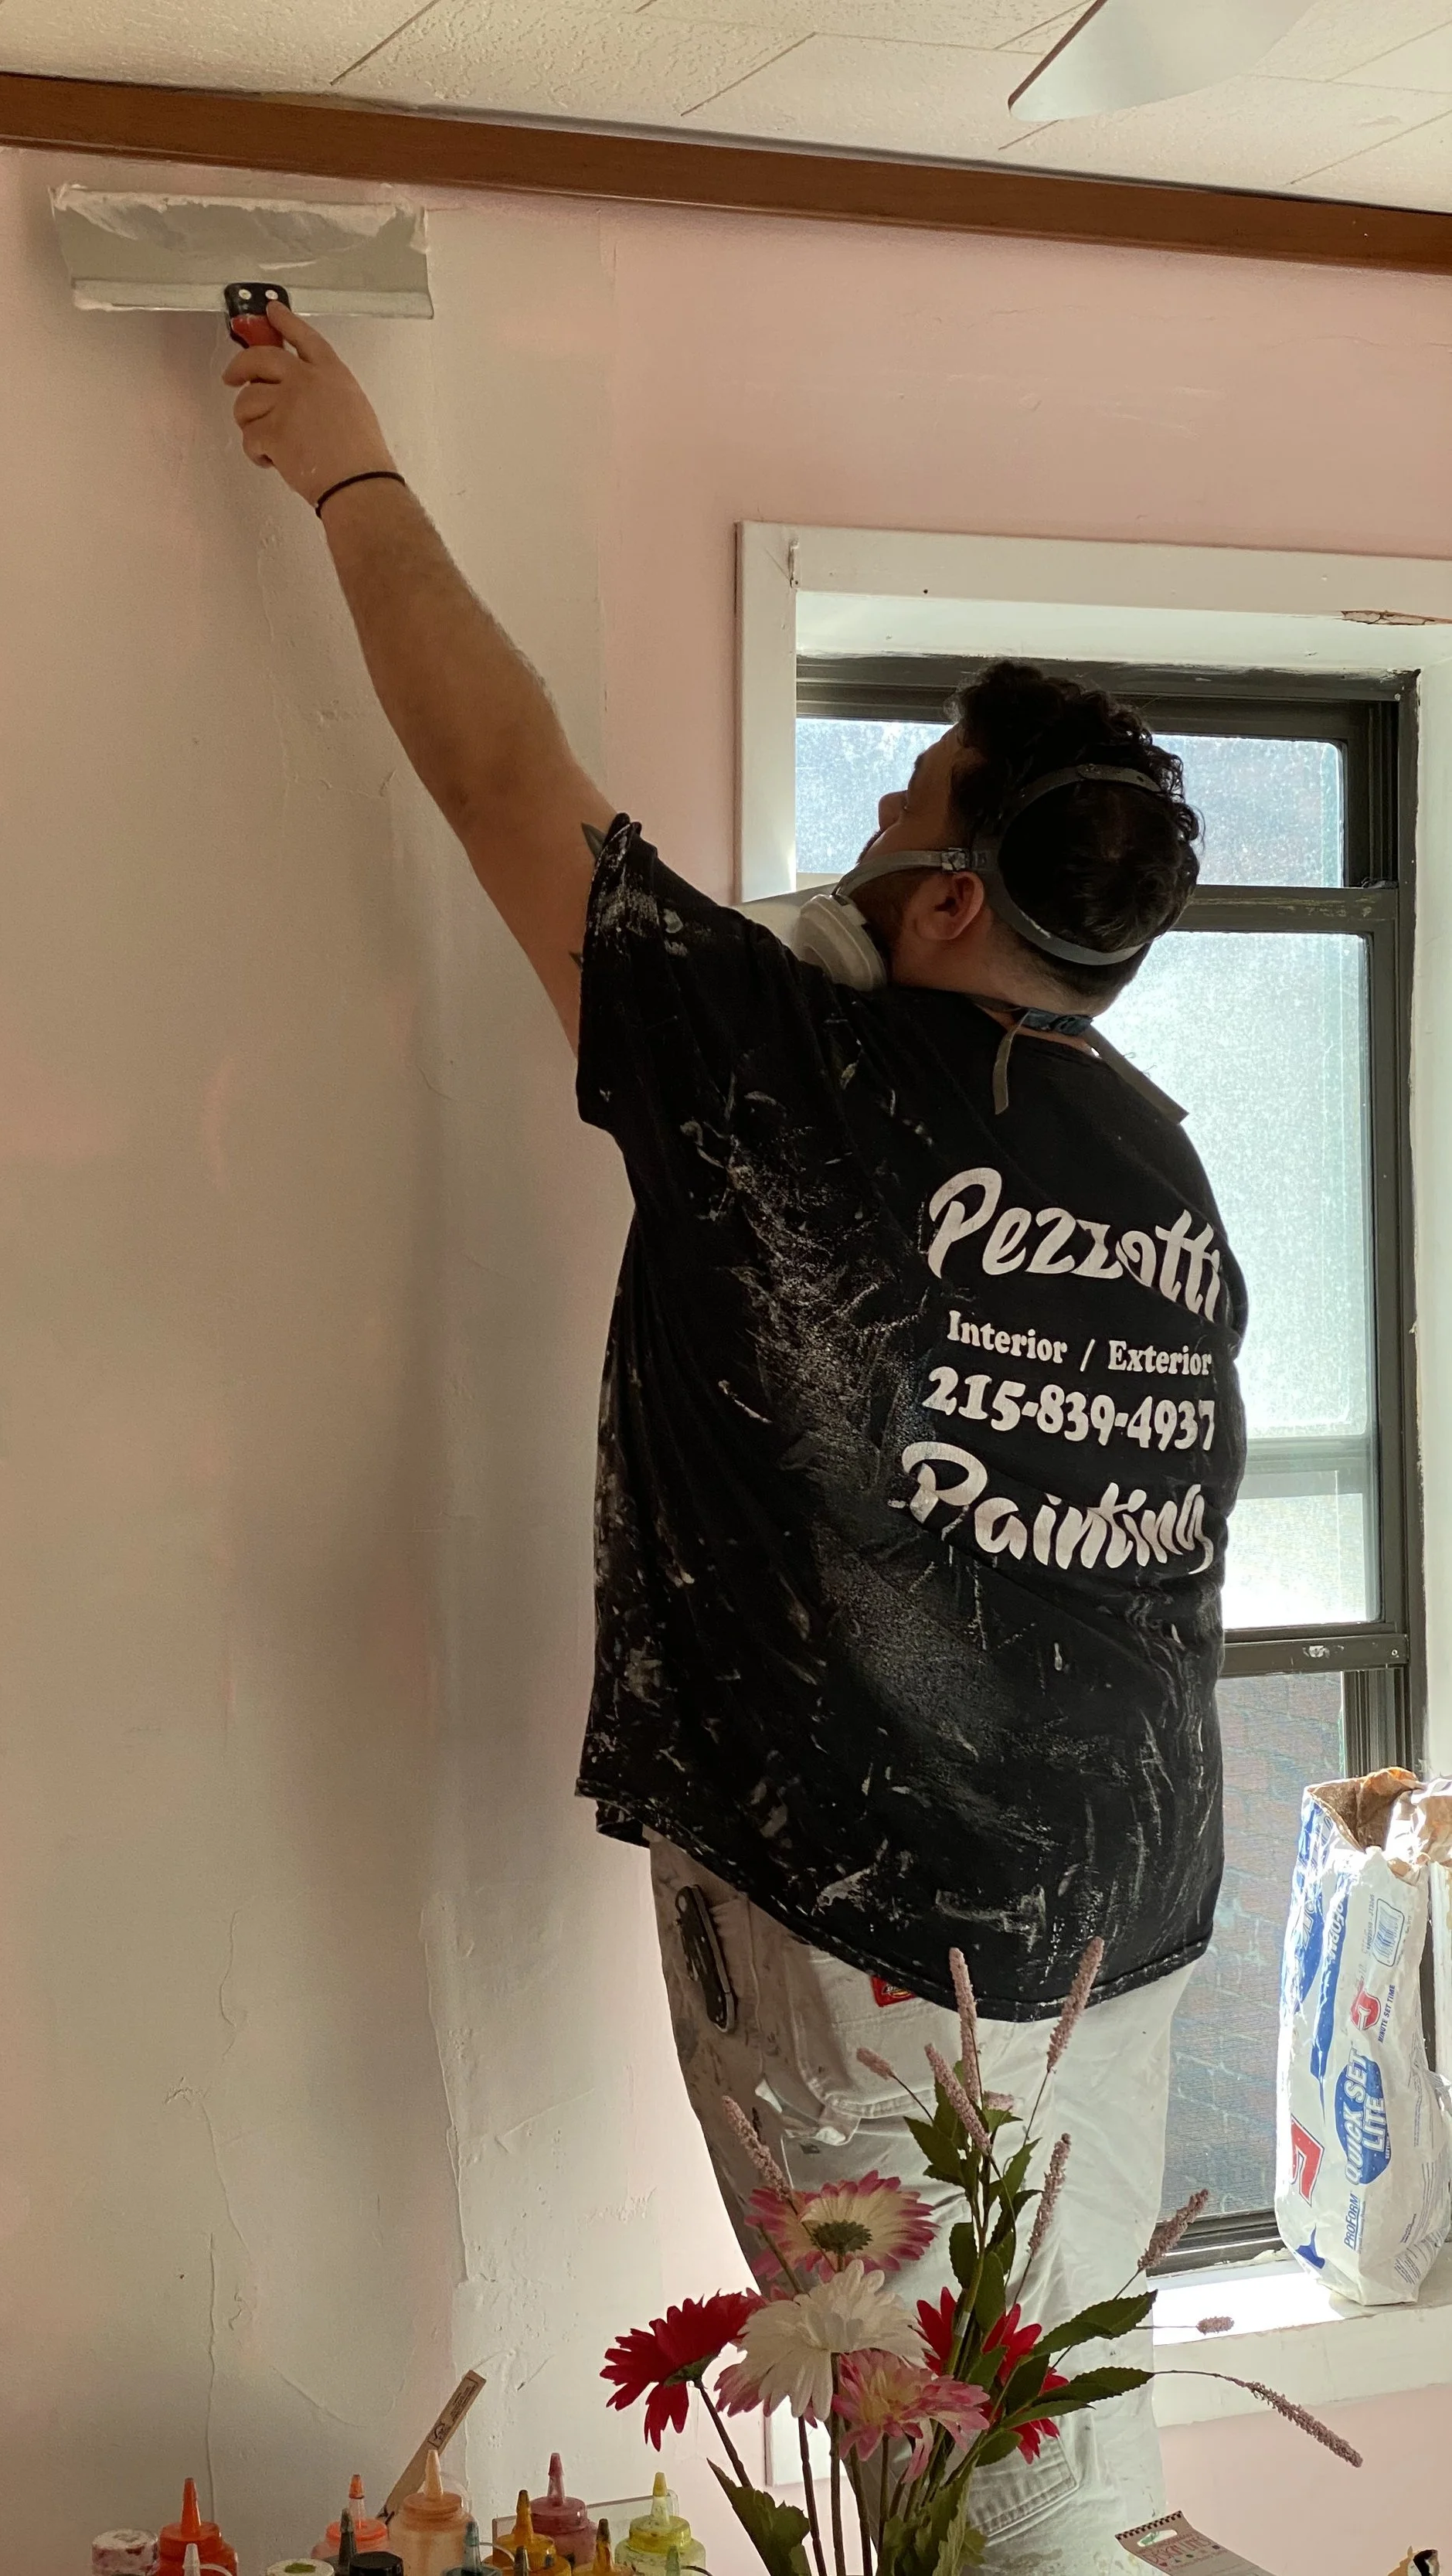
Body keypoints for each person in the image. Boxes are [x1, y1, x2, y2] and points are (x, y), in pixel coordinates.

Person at [223, 308, 1246, 2571]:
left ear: (955, 898)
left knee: (959, 2504)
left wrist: (348, 472)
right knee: (1057, 2464)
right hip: (1122, 1916)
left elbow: (511, 780)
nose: (862, 826)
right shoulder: (1161, 1165)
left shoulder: (795, 1078)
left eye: (899, 808)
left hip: (873, 1908)